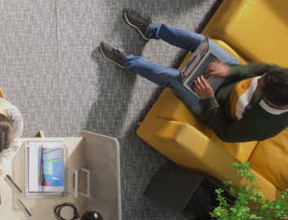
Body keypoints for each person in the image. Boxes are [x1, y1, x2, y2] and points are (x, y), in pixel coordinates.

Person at [99, 9, 288, 143]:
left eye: (260, 86)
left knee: (177, 78)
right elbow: (265, 68)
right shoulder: (281, 80)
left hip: (215, 105)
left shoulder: (261, 127)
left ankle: (127, 62)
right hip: (234, 77)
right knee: (200, 42)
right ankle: (151, 30)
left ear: (269, 101)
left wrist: (209, 99)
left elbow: (225, 133)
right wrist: (230, 70)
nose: (259, 80)